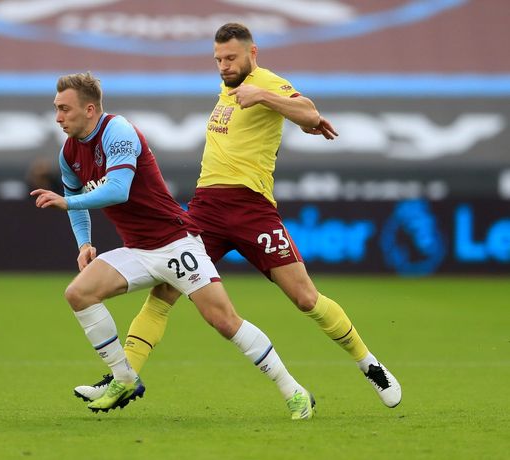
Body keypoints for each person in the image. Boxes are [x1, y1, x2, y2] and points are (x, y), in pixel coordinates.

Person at [75, 23, 402, 409]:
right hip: (207, 210)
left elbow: (309, 113)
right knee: (164, 292)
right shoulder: (226, 92)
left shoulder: (266, 83)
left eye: (231, 58)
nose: (224, 66)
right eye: (218, 59)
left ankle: (369, 364)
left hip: (252, 210)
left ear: (253, 53)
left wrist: (264, 95)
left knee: (304, 297)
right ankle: (122, 379)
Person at [32, 71, 316, 419]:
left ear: (90, 109)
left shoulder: (118, 131)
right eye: (56, 109)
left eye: (65, 109)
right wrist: (84, 243)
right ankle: (123, 378)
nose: (58, 117)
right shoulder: (69, 153)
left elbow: (117, 189)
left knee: (224, 321)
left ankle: (295, 392)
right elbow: (76, 196)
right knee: (78, 294)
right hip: (137, 249)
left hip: (175, 243)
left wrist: (66, 202)